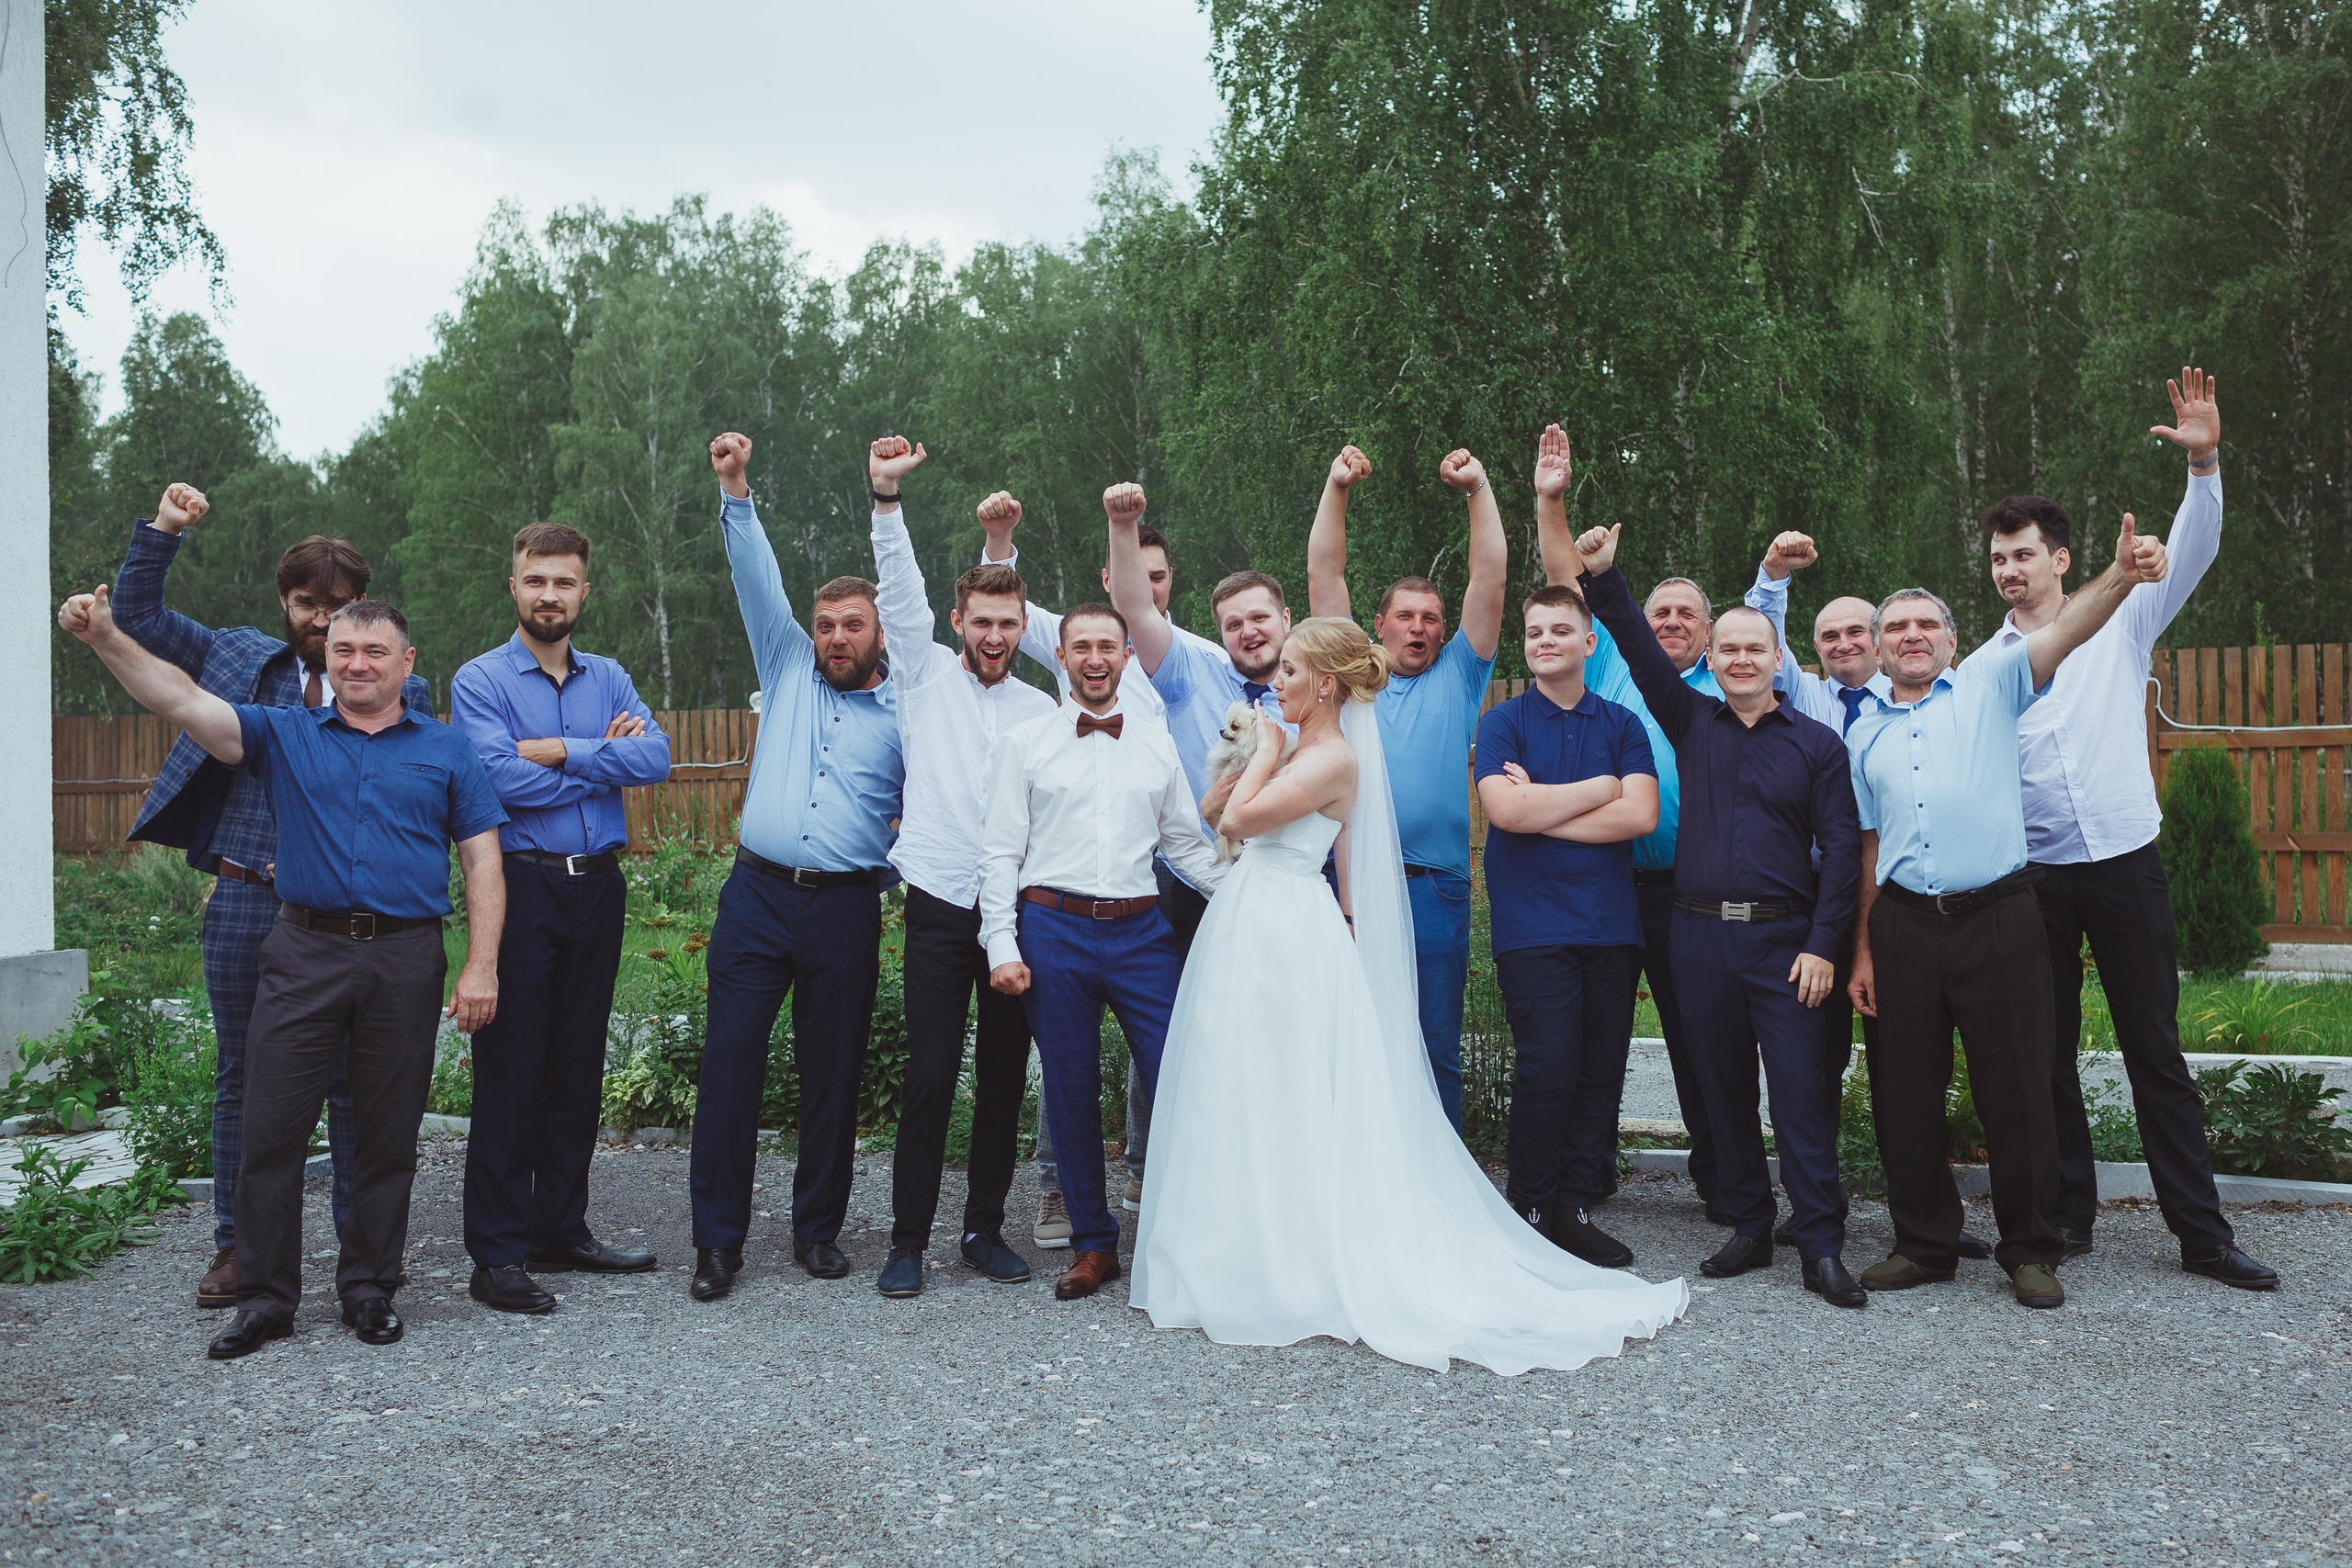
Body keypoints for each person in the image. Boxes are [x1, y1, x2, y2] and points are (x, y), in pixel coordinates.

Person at [1134, 617, 1687, 1373]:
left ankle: (1295, 1257)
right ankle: (1241, 1238)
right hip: (1250, 920)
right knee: (1242, 1080)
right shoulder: (1299, 748)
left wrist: (1263, 754)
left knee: (1288, 1081)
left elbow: (1239, 820)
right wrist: (1252, 756)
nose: (1278, 683)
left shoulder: (1331, 759)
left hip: (1287, 922)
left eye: (1291, 671)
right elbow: (1209, 812)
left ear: (1325, 684)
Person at [61, 588, 505, 1359]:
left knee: (385, 1134)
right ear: (326, 659)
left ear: (406, 663)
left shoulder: (447, 747)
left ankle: (369, 1289)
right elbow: (182, 699)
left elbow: (482, 860)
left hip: (406, 957)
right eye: (342, 650)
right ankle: (266, 1299)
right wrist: (105, 638)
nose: (357, 663)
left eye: (373, 652)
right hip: (302, 951)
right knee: (269, 1130)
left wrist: (482, 964)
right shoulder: (284, 734)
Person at [1973, 368, 2276, 1291]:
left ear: (2061, 558)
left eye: (2022, 554)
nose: (2008, 569)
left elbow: (2196, 549)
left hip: (2124, 866)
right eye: (1996, 558)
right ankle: (2067, 1218)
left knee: (2154, 1048)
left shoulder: (2124, 617)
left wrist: (2204, 465)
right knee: (2046, 1054)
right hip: (2034, 880)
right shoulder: (1988, 662)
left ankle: (2202, 1235)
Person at [111, 482, 432, 1311]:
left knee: (357, 1085)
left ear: (363, 605)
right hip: (247, 898)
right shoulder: (234, 659)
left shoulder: (402, 689)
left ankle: (361, 1262)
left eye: (339, 605)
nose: (323, 622)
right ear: (284, 604)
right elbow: (139, 618)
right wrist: (165, 529)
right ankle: (234, 1247)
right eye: (306, 604)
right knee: (243, 1079)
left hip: (354, 921)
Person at [1847, 512, 2170, 1311]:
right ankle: (1924, 1242)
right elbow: (1866, 849)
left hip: (2000, 914)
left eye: (1927, 624)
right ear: (1880, 649)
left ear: (1953, 642)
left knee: (2020, 1085)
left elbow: (2071, 627)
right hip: (1905, 925)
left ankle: (2030, 1247)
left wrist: (2123, 575)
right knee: (1905, 1093)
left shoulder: (1996, 680)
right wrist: (1861, 950)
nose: (1912, 636)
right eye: (1897, 628)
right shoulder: (1862, 736)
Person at [1574, 525, 1867, 1307]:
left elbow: (1842, 852)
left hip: (1786, 944)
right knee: (1721, 1087)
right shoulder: (1689, 722)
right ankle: (1748, 1222)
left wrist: (1825, 945)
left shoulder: (1816, 746)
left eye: (1754, 648)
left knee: (1801, 1092)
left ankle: (1821, 1242)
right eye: (1729, 648)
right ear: (1714, 659)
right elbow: (1635, 644)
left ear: (1777, 660)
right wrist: (1603, 576)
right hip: (1698, 936)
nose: (1740, 659)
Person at [1532, 426, 1792, 1226]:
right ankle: (1587, 1172)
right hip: (1609, 880)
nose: (1673, 621)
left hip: (1693, 890)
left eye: (1688, 613)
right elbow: (1563, 578)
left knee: (1698, 1037)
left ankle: (1723, 1175)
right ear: (1631, 627)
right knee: (1594, 1033)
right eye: (1660, 611)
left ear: (1712, 633)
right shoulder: (1610, 659)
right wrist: (1551, 499)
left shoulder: (1729, 690)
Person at [690, 432, 905, 1303]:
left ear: (879, 628)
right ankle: (717, 1245)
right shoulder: (784, 667)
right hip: (758, 898)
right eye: (826, 625)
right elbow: (756, 578)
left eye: (852, 624)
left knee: (833, 1071)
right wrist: (736, 486)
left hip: (847, 908)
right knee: (732, 1063)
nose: (836, 637)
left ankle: (817, 1231)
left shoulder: (906, 707)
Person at [448, 523, 673, 1314]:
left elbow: (657, 758)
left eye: (565, 581)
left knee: (578, 1064)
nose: (550, 594)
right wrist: (595, 759)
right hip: (520, 884)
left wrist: (558, 750)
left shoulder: (608, 675)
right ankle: (498, 1253)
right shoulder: (478, 681)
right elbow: (495, 780)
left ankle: (560, 1228)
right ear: (513, 587)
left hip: (597, 888)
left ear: (585, 591)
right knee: (513, 1070)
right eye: (535, 579)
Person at [977, 604, 1227, 1301]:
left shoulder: (1156, 741)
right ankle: (1093, 1244)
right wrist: (1000, 940)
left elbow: (1183, 847)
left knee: (1178, 1074)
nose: (1094, 657)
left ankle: (1191, 1237)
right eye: (1081, 645)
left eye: (1107, 647)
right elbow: (999, 852)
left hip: (1142, 929)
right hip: (1050, 926)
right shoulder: (1025, 743)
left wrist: (1249, 889)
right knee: (1070, 1088)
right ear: (1061, 656)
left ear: (1125, 658)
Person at [1755, 550, 1996, 1263]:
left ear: (1882, 640)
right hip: (1820, 908)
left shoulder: (1932, 706)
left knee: (1911, 1073)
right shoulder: (1805, 699)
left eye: (1857, 632)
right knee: (1814, 1065)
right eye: (1829, 637)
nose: (1844, 645)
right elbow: (1764, 633)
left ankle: (1932, 1222)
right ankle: (1816, 1205)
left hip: (1910, 907)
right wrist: (1773, 579)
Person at [865, 441, 1057, 1298]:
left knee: (1004, 1077)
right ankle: (908, 1240)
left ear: (1022, 631)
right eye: (980, 621)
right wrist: (887, 498)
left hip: (1014, 915)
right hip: (942, 904)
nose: (993, 635)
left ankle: (984, 1228)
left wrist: (1003, 552)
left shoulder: (1040, 707)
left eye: (1007, 623)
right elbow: (899, 594)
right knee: (933, 1071)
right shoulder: (923, 679)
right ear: (958, 625)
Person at [1305, 443, 1507, 1133]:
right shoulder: (1356, 674)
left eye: (1430, 617)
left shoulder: (1461, 673)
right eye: (1406, 616)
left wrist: (1478, 488)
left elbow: (1490, 579)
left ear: (1443, 630)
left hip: (1435, 889)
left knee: (1434, 1048)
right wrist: (1338, 487)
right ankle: (1362, 1177)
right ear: (1380, 625)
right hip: (1354, 886)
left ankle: (1439, 1190)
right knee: (1353, 1041)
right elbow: (1324, 575)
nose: (1418, 626)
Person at [1473, 587, 1661, 1268]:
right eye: (1534, 630)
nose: (1544, 639)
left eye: (1560, 629)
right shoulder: (1504, 722)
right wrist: (1601, 788)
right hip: (1534, 925)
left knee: (1599, 1069)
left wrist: (1540, 806)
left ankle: (1575, 1208)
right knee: (1549, 1065)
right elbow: (1505, 811)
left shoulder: (1621, 724)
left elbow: (1639, 817)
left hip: (1610, 925)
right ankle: (1528, 1207)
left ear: (1588, 643)